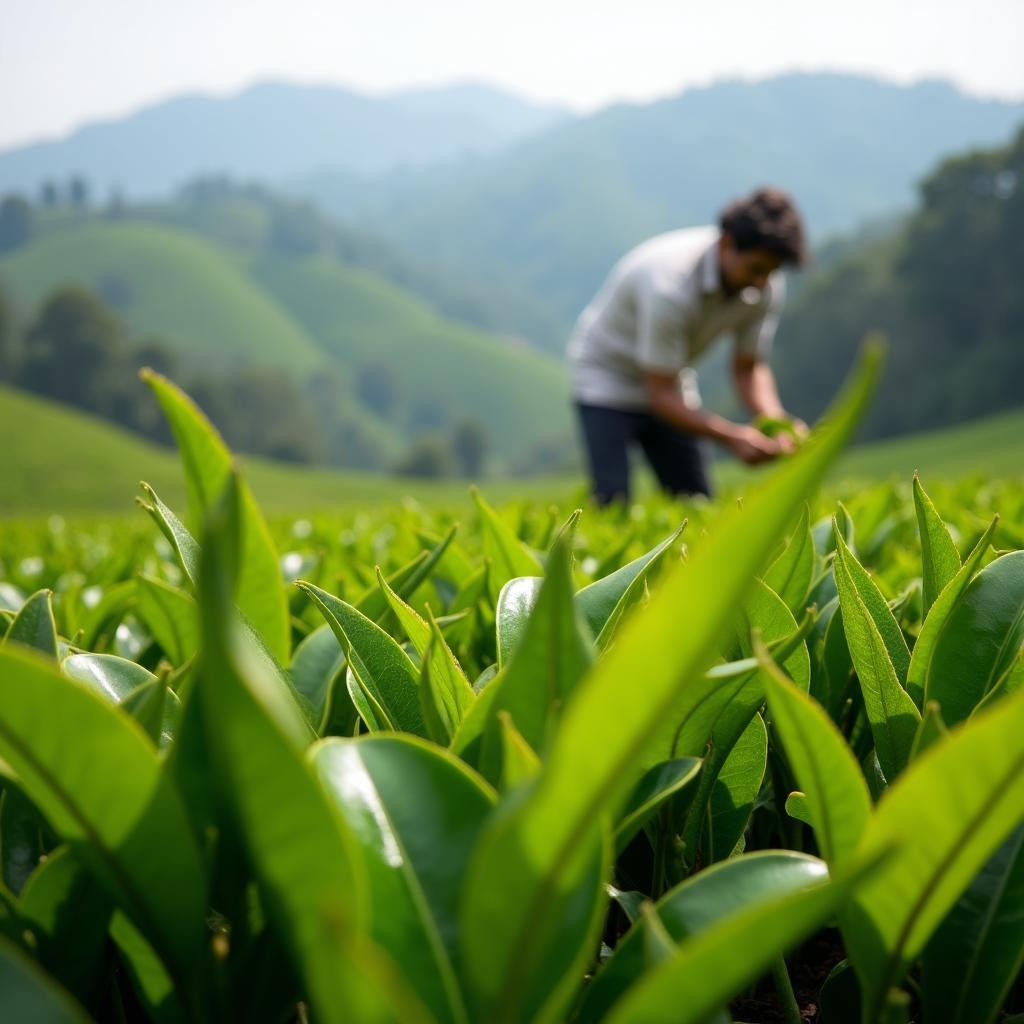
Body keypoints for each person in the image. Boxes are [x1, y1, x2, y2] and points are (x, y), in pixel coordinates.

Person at [568, 187, 808, 505]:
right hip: (608, 377)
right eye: (755, 270)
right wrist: (732, 437)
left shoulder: (763, 284)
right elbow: (659, 393)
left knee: (695, 500)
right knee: (613, 499)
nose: (762, 283)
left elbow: (748, 367)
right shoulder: (670, 286)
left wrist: (776, 422)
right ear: (726, 244)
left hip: (671, 375)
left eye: (771, 272)